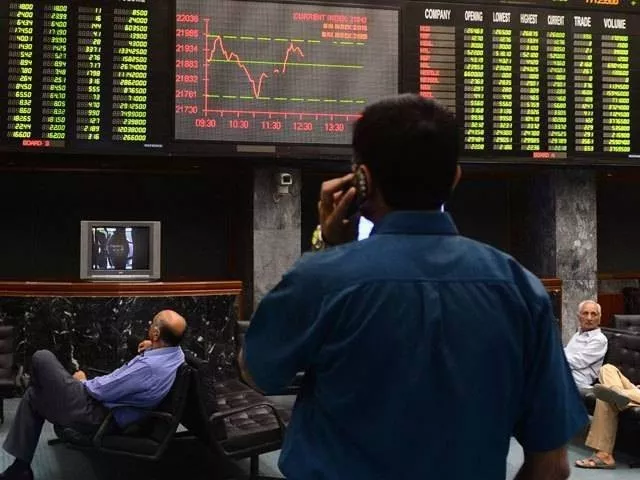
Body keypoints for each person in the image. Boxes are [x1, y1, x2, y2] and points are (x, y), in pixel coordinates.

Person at [239, 95, 587, 480]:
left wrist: (328, 249)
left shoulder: (320, 279)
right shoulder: (521, 289)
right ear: (454, 177)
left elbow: (256, 373)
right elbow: (552, 466)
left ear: (362, 180)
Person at [0, 310, 187, 480]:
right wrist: (153, 346)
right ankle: (21, 468)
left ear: (156, 333)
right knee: (33, 396)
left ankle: (48, 397)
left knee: (42, 357)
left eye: (152, 324)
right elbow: (169, 346)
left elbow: (102, 391)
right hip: (106, 407)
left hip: (97, 414)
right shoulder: (175, 354)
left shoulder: (148, 368)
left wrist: (81, 381)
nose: (149, 326)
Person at [575, 364, 640, 469]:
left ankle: (604, 455)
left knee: (605, 397)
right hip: (636, 392)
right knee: (607, 368)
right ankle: (617, 393)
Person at [563, 300, 608, 392]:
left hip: (578, 380)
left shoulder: (599, 339)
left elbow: (577, 362)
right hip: (566, 372)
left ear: (599, 318)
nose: (589, 318)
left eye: (593, 314)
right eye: (585, 313)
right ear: (579, 317)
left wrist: (555, 361)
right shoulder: (578, 334)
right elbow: (567, 352)